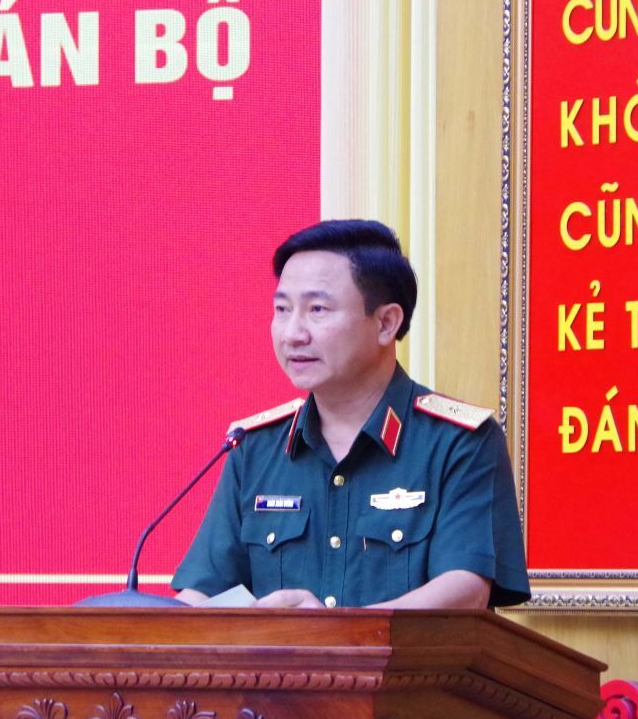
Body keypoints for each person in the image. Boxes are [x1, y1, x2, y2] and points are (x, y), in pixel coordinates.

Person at [171, 219, 531, 610]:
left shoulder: (459, 442)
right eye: (282, 309)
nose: (292, 333)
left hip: (409, 656)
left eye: (317, 309)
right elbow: (202, 595)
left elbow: (464, 589)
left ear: (386, 323)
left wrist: (334, 634)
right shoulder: (253, 447)